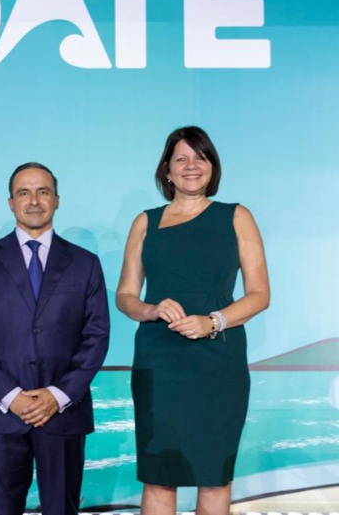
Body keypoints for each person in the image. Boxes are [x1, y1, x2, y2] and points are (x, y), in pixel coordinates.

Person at [116, 126, 270, 515]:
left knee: (214, 475)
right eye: (181, 158)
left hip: (218, 362)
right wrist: (151, 310)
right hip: (159, 360)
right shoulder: (145, 222)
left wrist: (212, 322)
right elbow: (125, 296)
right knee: (158, 474)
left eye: (200, 158)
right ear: (166, 170)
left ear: (212, 167)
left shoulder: (236, 216)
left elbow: (259, 295)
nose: (191, 166)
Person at [0, 162, 110, 515]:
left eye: (43, 192)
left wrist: (58, 395)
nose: (34, 200)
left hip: (63, 413)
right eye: (24, 192)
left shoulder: (85, 263)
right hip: (0, 412)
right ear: (11, 203)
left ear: (56, 200)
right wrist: (10, 396)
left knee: (61, 508)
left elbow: (96, 334)